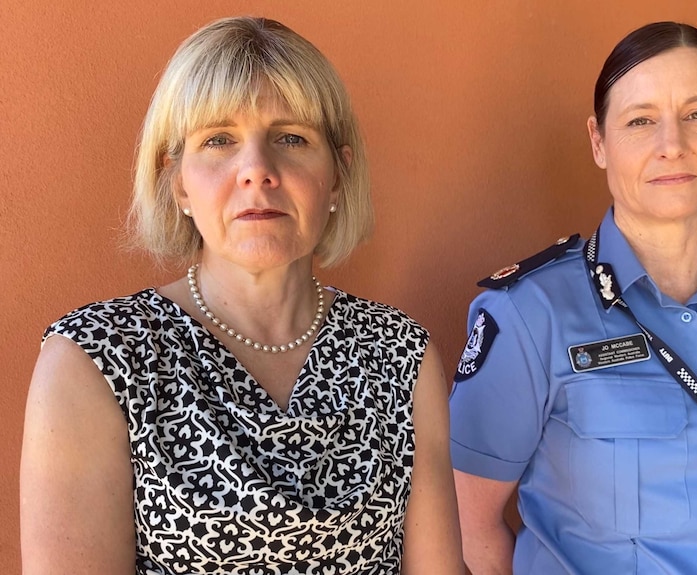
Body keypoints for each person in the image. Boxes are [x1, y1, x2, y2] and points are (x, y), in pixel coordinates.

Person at [20, 16, 463, 575]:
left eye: (291, 138)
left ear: (338, 176)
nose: (256, 170)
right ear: (178, 182)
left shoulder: (401, 355)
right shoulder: (94, 361)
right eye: (219, 140)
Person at [449, 21, 697, 575]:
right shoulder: (530, 313)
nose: (672, 145)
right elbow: (471, 524)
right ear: (598, 142)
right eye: (641, 121)